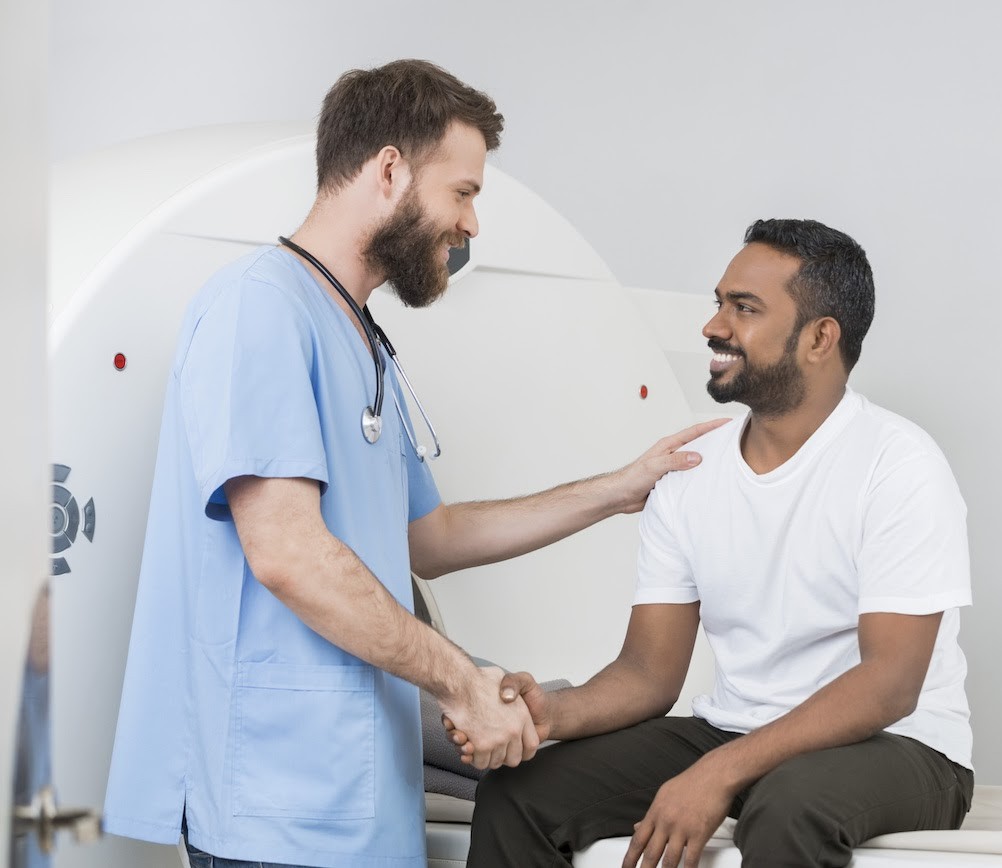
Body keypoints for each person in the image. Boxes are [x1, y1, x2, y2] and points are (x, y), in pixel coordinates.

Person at [101, 59, 722, 868]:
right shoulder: (260, 308)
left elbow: (427, 537)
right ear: (390, 169)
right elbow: (288, 553)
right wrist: (463, 683)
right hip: (275, 800)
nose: (471, 224)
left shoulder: (361, 338)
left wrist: (615, 490)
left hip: (362, 795)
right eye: (462, 192)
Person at [460, 218, 975, 868]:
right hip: (736, 730)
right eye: (720, 302)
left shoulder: (898, 465)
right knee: (520, 792)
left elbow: (890, 685)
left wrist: (719, 772)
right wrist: (553, 713)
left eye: (745, 308)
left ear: (820, 338)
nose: (714, 325)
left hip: (902, 744)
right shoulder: (692, 470)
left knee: (789, 808)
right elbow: (649, 672)